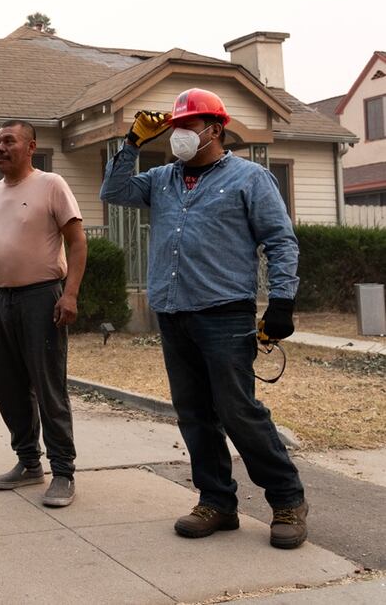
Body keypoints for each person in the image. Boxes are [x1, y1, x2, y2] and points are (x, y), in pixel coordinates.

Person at [100, 88, 308, 549]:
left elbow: (280, 241)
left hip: (224, 314)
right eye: (174, 128)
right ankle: (217, 502)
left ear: (215, 129)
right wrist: (131, 143)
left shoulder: (249, 178)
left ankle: (288, 500)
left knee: (239, 412)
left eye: (187, 127)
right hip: (174, 313)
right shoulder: (161, 178)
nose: (178, 136)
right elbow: (112, 191)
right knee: (194, 414)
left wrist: (281, 302)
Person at [0, 120, 87, 507]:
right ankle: (29, 462)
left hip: (40, 298)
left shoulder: (52, 185)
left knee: (48, 387)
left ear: (31, 146)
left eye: (8, 141)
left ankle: (63, 472)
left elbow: (77, 242)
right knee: (8, 386)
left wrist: (70, 294)